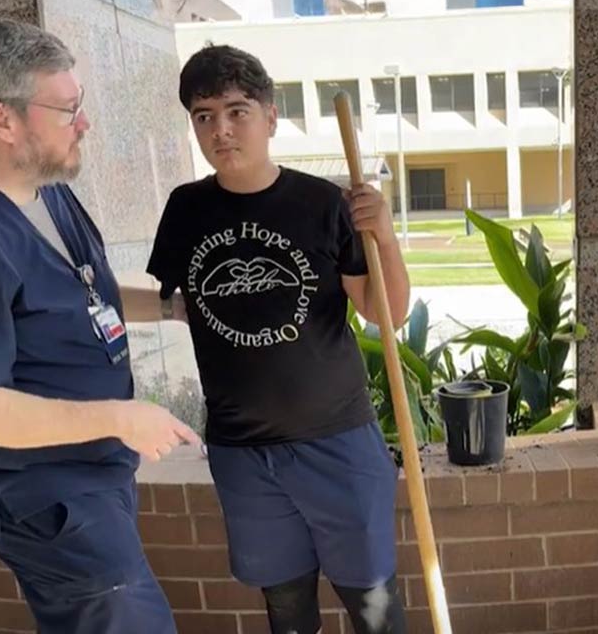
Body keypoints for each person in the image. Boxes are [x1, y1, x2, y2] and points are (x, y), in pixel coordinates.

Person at [0, 17, 201, 633]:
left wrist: (171, 308)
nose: (85, 123)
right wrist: (118, 417)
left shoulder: (42, 185)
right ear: (2, 119)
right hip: (38, 495)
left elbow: (82, 291)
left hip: (88, 472)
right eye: (68, 108)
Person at [144, 43, 410, 634]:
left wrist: (386, 238)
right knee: (287, 611)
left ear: (270, 115)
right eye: (204, 115)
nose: (221, 129)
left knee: (374, 610)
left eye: (237, 111)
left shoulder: (321, 203)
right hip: (242, 453)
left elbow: (383, 313)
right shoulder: (185, 210)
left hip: (336, 441)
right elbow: (176, 301)